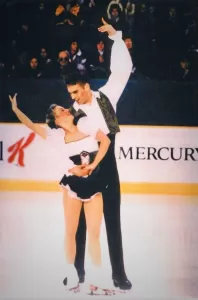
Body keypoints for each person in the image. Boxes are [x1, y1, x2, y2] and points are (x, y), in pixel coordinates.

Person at [8, 93, 117, 295]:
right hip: (72, 185)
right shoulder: (56, 136)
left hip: (94, 183)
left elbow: (106, 143)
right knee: (71, 232)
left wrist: (93, 164)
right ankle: (71, 275)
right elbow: (31, 125)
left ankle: (96, 280)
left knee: (94, 233)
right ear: (56, 120)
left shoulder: (85, 124)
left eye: (63, 107)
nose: (65, 109)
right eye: (60, 109)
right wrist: (15, 110)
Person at [64, 18, 133, 291]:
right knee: (81, 220)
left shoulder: (106, 96)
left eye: (76, 92)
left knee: (113, 220)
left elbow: (122, 70)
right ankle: (78, 271)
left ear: (87, 86)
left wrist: (116, 38)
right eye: (70, 93)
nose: (74, 97)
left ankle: (119, 274)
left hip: (108, 165)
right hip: (85, 165)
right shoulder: (73, 111)